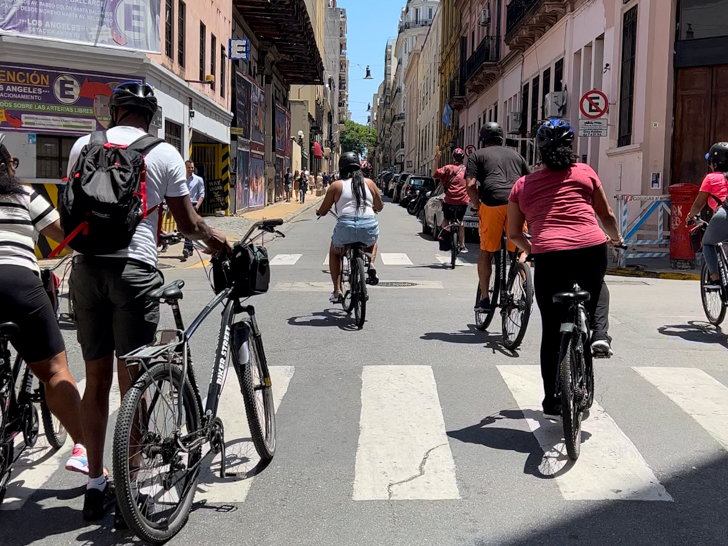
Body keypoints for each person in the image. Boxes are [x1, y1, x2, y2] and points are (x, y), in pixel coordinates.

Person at [66, 82, 229, 523]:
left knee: (95, 379)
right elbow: (187, 222)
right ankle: (131, 484)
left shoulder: (84, 145)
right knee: (133, 378)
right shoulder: (164, 154)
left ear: (115, 111)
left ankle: (95, 485)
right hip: (133, 272)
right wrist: (218, 242)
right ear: (153, 117)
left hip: (85, 270)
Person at [507, 119, 624, 416]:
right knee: (596, 286)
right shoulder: (585, 173)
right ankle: (599, 334)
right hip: (591, 248)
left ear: (539, 149)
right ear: (570, 147)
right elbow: (606, 214)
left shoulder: (522, 185)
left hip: (549, 255)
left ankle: (552, 400)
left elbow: (514, 234)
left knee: (552, 330)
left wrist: (537, 250)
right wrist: (616, 237)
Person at [0, 138, 89, 481]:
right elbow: (64, 236)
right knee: (54, 371)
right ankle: (83, 449)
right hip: (19, 283)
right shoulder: (23, 195)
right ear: (8, 164)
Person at [466, 122, 531, 312]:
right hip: (516, 203)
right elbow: (529, 181)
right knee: (519, 249)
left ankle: (485, 299)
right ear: (501, 138)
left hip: (492, 202)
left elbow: (470, 185)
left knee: (486, 251)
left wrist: (477, 205)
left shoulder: (477, 155)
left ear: (482, 139)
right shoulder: (516, 155)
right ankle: (525, 287)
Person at [316, 152, 384, 303]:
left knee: (335, 252)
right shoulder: (370, 183)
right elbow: (379, 206)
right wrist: (372, 208)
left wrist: (319, 212)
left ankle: (336, 290)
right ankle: (371, 264)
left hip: (345, 227)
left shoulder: (336, 185)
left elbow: (324, 209)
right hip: (368, 226)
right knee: (372, 242)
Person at [686, 142, 728, 285]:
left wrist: (691, 216)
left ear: (714, 163)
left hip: (724, 216)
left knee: (708, 243)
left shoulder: (711, 178)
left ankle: (715, 278)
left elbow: (699, 204)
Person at [433, 147, 469, 253]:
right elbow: (473, 185)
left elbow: (434, 174)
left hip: (449, 201)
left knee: (446, 220)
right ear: (463, 158)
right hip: (463, 202)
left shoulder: (448, 168)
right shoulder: (467, 170)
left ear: (453, 157)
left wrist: (437, 160)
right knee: (461, 222)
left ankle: (444, 238)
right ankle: (462, 245)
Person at [182, 160, 206, 260]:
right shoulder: (181, 179)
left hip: (193, 204)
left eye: (192, 167)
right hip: (183, 204)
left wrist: (197, 206)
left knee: (189, 225)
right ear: (185, 167)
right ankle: (190, 248)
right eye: (189, 167)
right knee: (184, 226)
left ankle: (186, 248)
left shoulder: (198, 180)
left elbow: (202, 194)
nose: (191, 169)